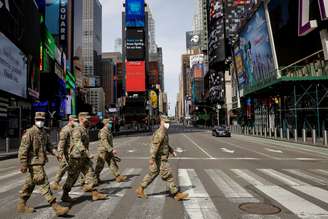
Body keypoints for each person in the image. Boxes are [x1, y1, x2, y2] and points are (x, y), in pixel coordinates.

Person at [17, 112, 69, 216]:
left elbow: (49, 146)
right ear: (35, 120)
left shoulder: (44, 133)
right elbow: (23, 150)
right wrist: (23, 164)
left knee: (29, 184)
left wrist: (57, 154)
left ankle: (21, 205)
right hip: (34, 163)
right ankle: (55, 206)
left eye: (42, 120)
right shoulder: (29, 133)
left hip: (39, 162)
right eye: (38, 119)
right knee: (43, 182)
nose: (40, 121)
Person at [135, 115, 189, 201]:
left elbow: (165, 144)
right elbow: (154, 146)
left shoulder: (164, 132)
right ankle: (176, 193)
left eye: (168, 122)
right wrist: (152, 158)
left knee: (152, 174)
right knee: (168, 175)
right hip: (160, 158)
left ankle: (140, 189)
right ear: (161, 122)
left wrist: (171, 151)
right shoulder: (160, 133)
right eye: (166, 122)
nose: (167, 124)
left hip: (160, 157)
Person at [61, 112, 107, 202]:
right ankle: (65, 195)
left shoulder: (84, 129)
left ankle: (94, 193)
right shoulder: (77, 129)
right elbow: (78, 142)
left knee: (91, 173)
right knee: (72, 178)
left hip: (84, 157)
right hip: (76, 157)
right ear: (81, 119)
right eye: (87, 119)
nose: (89, 120)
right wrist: (87, 153)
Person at [94, 118, 127, 184]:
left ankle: (118, 176)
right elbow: (104, 141)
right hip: (103, 150)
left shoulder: (108, 130)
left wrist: (110, 150)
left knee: (112, 163)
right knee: (100, 165)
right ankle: (95, 179)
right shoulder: (103, 131)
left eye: (111, 123)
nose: (111, 124)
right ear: (106, 123)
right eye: (109, 123)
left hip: (108, 150)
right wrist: (111, 149)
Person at [51, 115, 79, 191]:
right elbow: (61, 143)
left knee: (70, 169)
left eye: (77, 121)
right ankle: (55, 183)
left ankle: (69, 183)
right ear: (70, 121)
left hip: (72, 153)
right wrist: (60, 154)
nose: (77, 122)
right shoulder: (65, 129)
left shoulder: (74, 129)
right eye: (75, 121)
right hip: (66, 153)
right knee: (63, 168)